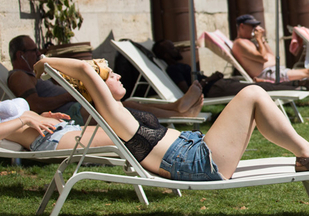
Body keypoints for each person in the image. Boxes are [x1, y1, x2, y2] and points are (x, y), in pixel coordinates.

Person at [33, 57, 309, 179]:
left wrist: (191, 99)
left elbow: (179, 110)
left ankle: (304, 154)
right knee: (251, 94)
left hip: (192, 149)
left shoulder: (129, 109)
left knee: (253, 99)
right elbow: (88, 72)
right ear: (99, 87)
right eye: (110, 75)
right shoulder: (114, 115)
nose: (117, 74)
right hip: (192, 161)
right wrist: (45, 61)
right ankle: (306, 154)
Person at [8, 35, 204, 124]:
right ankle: (179, 113)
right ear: (20, 55)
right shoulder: (19, 76)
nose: (39, 52)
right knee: (122, 107)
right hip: (73, 113)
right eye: (33, 50)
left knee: (126, 103)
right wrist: (71, 96)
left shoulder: (32, 76)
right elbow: (34, 104)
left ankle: (176, 108)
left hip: (76, 107)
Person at [151, 39, 309, 97]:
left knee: (259, 86)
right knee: (258, 88)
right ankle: (303, 84)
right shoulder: (174, 70)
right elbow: (188, 92)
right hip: (212, 89)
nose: (176, 49)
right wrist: (211, 78)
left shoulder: (180, 66)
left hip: (217, 85)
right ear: (165, 55)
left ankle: (303, 84)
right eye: (171, 48)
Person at [0, 97, 116, 152]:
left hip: (62, 129)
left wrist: (41, 116)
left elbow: (17, 117)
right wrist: (24, 120)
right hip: (49, 139)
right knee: (120, 139)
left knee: (119, 132)